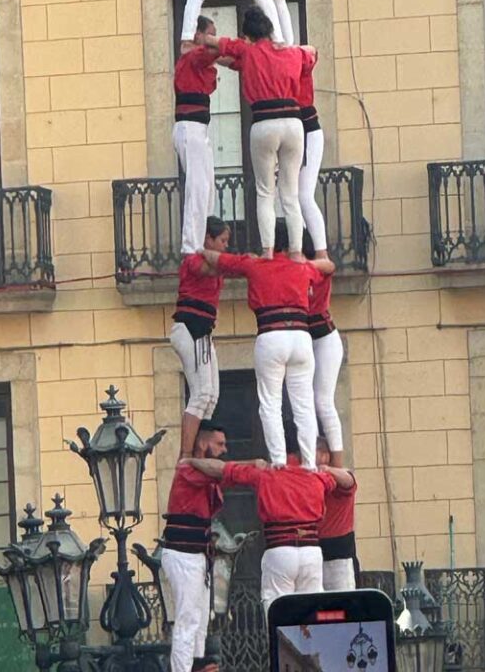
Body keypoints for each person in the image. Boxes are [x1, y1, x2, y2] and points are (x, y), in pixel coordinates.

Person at [200, 220, 335, 468]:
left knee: (270, 403)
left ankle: (279, 461)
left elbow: (216, 259)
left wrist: (196, 248)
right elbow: (329, 267)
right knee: (303, 403)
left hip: (270, 335)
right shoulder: (302, 268)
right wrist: (309, 262)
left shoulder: (255, 265)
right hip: (301, 337)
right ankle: (309, 463)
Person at [203, 8, 315, 257]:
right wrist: (302, 48)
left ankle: (267, 250)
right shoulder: (292, 53)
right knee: (291, 193)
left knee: (265, 191)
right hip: (293, 123)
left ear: (248, 35)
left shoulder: (248, 51)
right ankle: (296, 252)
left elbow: (219, 46)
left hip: (264, 122)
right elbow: (312, 54)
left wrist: (198, 40)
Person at [186, 453, 335, 618]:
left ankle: (279, 643)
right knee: (311, 613)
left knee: (277, 611)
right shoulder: (317, 476)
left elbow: (220, 468)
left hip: (279, 550)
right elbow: (336, 480)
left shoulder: (266, 474)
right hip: (311, 552)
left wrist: (191, 460)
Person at [161, 423, 228, 672]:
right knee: (188, 620)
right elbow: (224, 472)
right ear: (202, 443)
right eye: (219, 444)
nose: (224, 449)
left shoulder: (200, 471)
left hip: (196, 557)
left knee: (198, 621)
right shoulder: (188, 468)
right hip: (183, 554)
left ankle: (197, 664)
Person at [171, 216, 230, 459]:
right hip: (190, 328)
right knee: (202, 394)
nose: (226, 246)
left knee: (211, 395)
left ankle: (201, 447)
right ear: (209, 239)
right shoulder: (194, 260)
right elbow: (208, 268)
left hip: (201, 332)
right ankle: (187, 453)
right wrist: (241, 263)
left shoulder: (208, 261)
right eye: (223, 240)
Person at [173, 15, 220, 251]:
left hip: (196, 128)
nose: (212, 38)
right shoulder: (192, 56)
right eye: (209, 33)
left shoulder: (196, 60)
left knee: (206, 185)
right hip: (190, 127)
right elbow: (213, 53)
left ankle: (204, 239)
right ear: (198, 35)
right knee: (197, 186)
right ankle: (191, 246)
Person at [304, 231, 344, 465]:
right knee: (303, 402)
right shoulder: (292, 271)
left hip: (326, 338)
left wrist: (302, 264)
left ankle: (337, 461)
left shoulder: (318, 268)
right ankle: (309, 457)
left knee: (323, 401)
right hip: (306, 340)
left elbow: (330, 264)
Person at [316, 436, 358, 591]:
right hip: (314, 550)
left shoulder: (338, 481)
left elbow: (349, 481)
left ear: (324, 455)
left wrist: (326, 470)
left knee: (342, 603)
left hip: (340, 552)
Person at [296, 53, 328, 257]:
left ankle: (319, 250)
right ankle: (302, 247)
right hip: (296, 131)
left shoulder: (294, 59)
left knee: (303, 196)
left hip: (306, 132)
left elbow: (312, 53)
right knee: (291, 198)